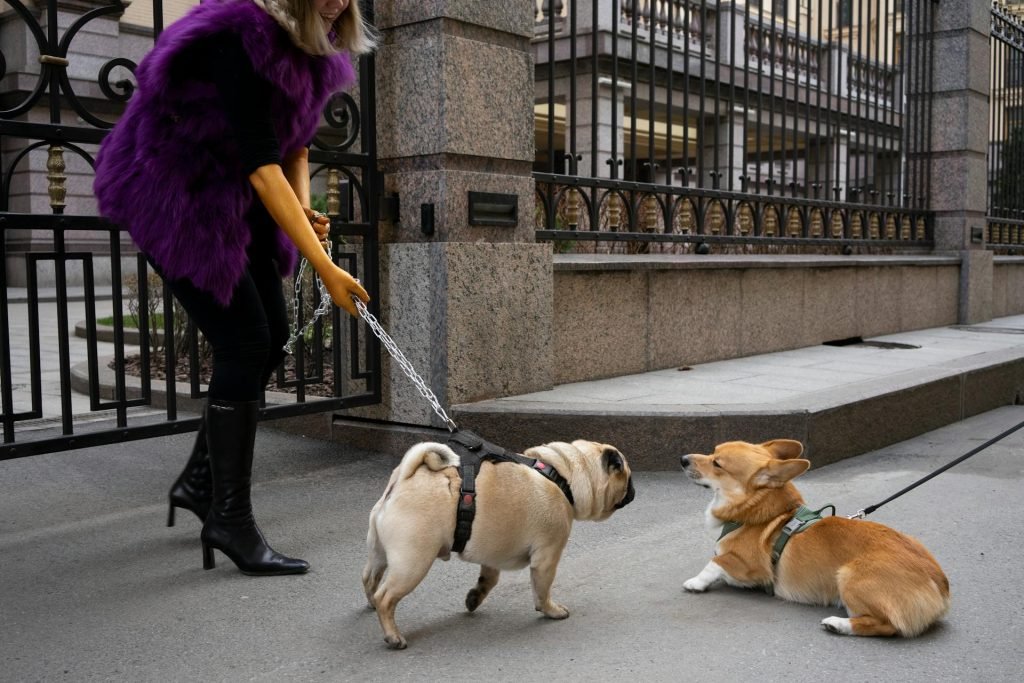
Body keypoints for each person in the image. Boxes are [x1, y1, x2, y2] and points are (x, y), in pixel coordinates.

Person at [93, 0, 373, 576]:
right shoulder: (238, 36)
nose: (337, 1)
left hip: (236, 196)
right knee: (244, 340)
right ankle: (229, 518)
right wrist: (324, 266)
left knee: (267, 340)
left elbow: (293, 148)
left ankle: (200, 483)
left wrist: (302, 209)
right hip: (175, 192)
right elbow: (260, 162)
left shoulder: (314, 50)